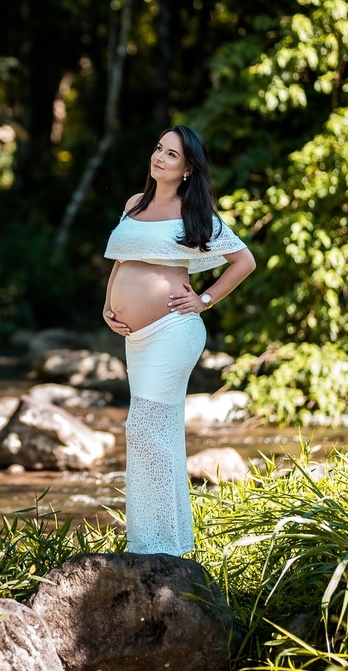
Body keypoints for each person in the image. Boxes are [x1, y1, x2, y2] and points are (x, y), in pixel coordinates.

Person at [102, 124, 256, 556]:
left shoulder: (195, 212)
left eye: (171, 154)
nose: (159, 157)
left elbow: (244, 261)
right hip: (137, 338)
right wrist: (108, 304)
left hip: (173, 331)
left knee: (144, 428)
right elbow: (122, 258)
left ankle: (156, 544)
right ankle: (160, 543)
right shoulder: (136, 203)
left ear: (188, 169)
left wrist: (204, 299)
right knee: (157, 432)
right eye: (158, 148)